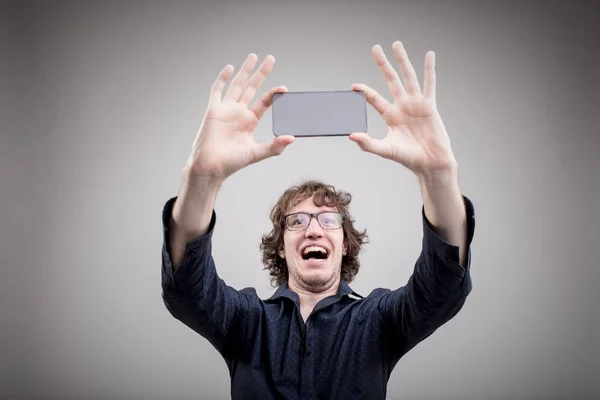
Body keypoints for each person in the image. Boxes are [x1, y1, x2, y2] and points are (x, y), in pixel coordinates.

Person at [160, 41, 476, 399]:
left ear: (345, 244)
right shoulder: (245, 320)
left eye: (328, 220)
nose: (313, 228)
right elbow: (186, 289)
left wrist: (438, 175)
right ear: (281, 247)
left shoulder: (378, 320)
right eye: (296, 221)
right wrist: (202, 179)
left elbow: (443, 288)